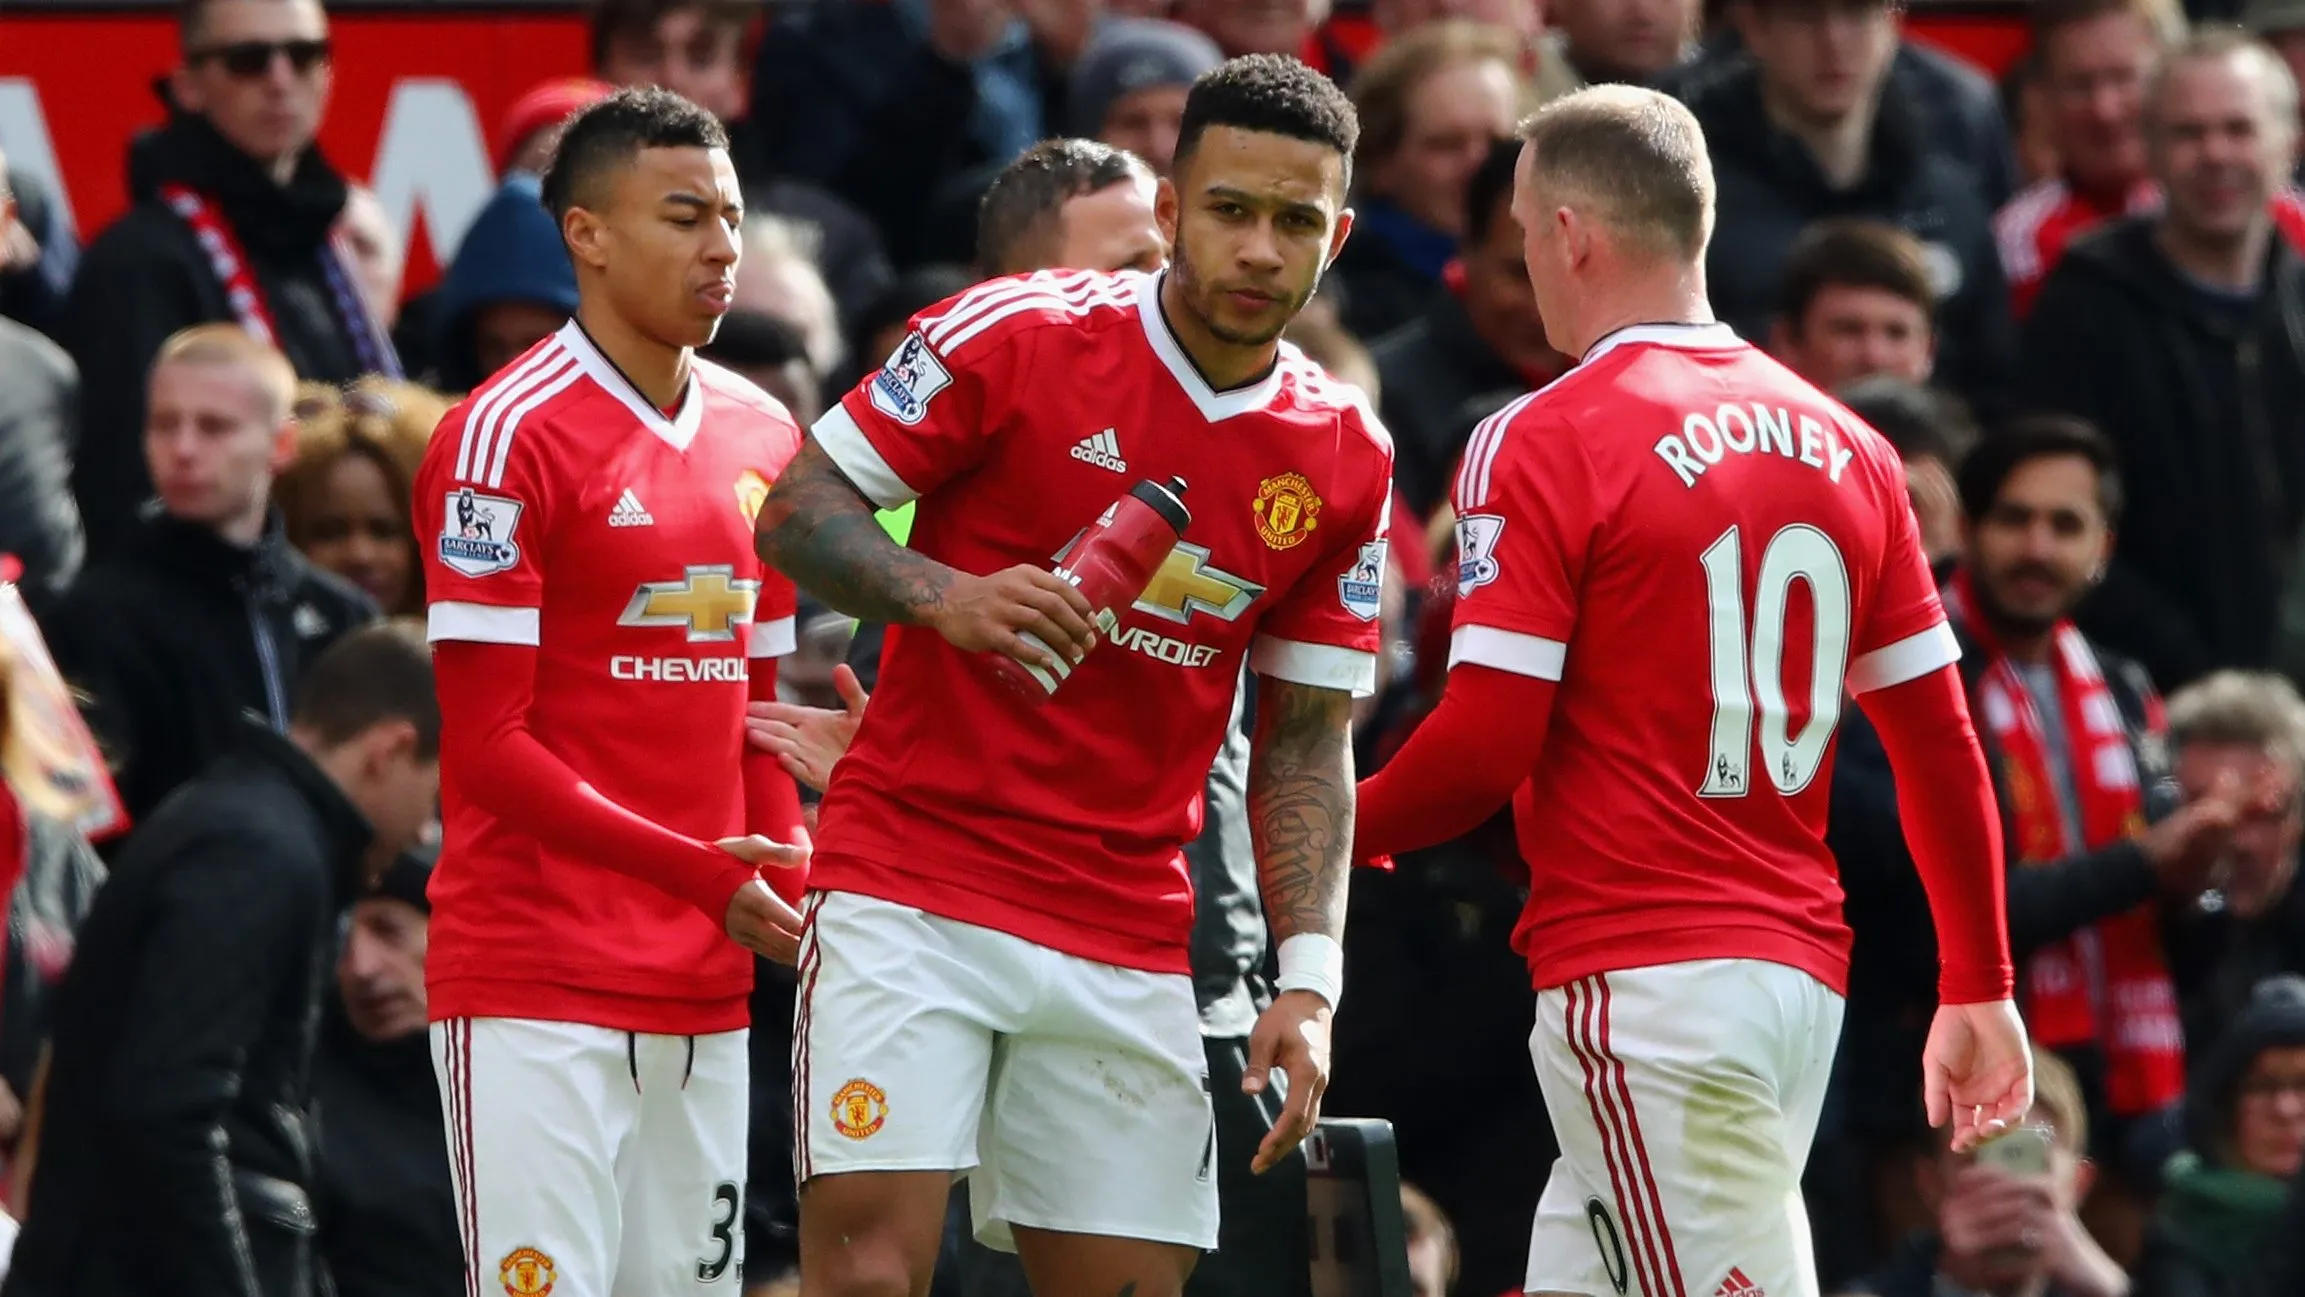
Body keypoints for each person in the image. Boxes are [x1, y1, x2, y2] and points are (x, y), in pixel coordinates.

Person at [1350, 85, 2032, 1297]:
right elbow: (1939, 745)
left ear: (1569, 234)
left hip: (1646, 983)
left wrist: (1321, 828)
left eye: (1525, 232)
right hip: (1791, 978)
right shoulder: (1854, 447)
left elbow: (1484, 745)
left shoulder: (1541, 434)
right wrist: (1978, 978)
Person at [753, 54, 1391, 1297]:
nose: (1260, 248)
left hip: (1127, 921)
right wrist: (946, 595)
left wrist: (1310, 981)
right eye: (1230, 210)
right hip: (913, 882)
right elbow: (793, 509)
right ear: (1171, 209)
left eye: (1295, 221)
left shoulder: (1343, 455)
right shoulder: (1015, 331)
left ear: (1339, 235)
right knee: (869, 1276)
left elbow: (1308, 734)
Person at [409, 87, 810, 1297]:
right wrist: (704, 877)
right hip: (533, 979)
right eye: (684, 217)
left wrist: (791, 876)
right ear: (585, 233)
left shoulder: (766, 434)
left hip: (704, 987)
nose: (721, 247)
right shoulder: (499, 437)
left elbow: (758, 714)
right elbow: (490, 749)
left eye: (730, 217)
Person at [2, 621, 442, 1297]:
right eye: (435, 794)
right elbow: (169, 1109)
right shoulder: (259, 853)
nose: (424, 830)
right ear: (389, 751)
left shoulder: (253, 831)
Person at [42, 323, 377, 827]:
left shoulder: (343, 617)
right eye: (164, 424)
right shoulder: (93, 619)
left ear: (282, 443)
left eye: (214, 427)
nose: (183, 449)